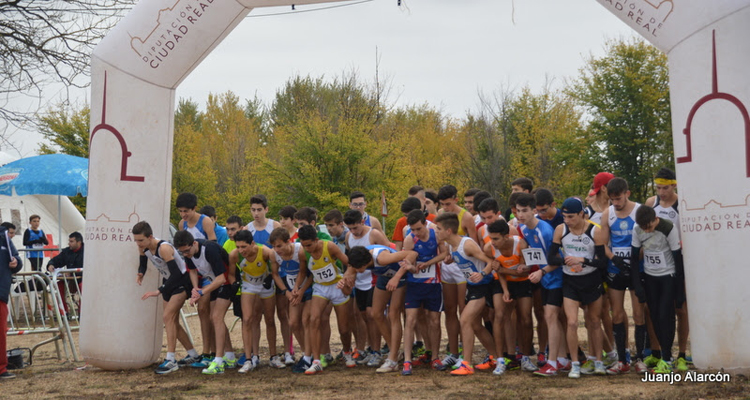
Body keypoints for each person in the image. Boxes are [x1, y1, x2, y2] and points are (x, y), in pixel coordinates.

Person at [431, 213, 507, 376]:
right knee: (475, 325)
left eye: (438, 229)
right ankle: (493, 357)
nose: (436, 232)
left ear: (449, 231)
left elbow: (490, 262)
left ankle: (466, 363)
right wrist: (451, 260)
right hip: (473, 286)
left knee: (465, 319)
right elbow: (460, 260)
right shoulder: (451, 245)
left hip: (484, 285)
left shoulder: (467, 244)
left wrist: (482, 273)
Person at [548, 198, 609, 378]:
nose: (567, 220)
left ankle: (598, 361)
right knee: (572, 322)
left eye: (571, 217)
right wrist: (567, 261)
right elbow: (551, 258)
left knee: (594, 321)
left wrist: (582, 260)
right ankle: (575, 363)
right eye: (564, 216)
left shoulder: (594, 231)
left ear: (582, 214)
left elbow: (602, 262)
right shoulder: (561, 230)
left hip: (591, 280)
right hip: (571, 281)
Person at [133, 221, 200, 374]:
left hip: (181, 281)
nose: (138, 244)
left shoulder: (163, 248)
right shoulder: (143, 247)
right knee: (172, 321)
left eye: (141, 240)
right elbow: (143, 263)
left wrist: (159, 290)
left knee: (167, 316)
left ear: (150, 237)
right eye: (136, 240)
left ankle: (171, 359)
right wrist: (140, 273)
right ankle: (193, 355)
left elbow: (177, 273)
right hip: (168, 282)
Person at [599, 177, 648, 374]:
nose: (616, 203)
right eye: (612, 200)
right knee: (617, 313)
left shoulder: (640, 211)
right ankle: (622, 360)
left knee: (638, 314)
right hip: (616, 269)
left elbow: (647, 238)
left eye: (619, 199)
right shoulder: (607, 214)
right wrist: (614, 258)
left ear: (627, 194)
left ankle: (641, 359)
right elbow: (602, 243)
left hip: (637, 268)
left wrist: (635, 260)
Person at [173, 230, 237, 375]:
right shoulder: (188, 252)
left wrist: (202, 291)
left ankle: (219, 361)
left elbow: (221, 278)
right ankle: (230, 356)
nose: (186, 254)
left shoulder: (209, 250)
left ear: (194, 243)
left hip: (227, 282)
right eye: (182, 252)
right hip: (214, 283)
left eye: (187, 251)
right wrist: (195, 289)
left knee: (216, 318)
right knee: (214, 319)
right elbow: (193, 271)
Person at [644, 167, 689, 372]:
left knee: (680, 309)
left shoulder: (683, 204)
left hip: (678, 261)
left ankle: (681, 354)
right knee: (654, 308)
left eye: (665, 188)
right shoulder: (651, 204)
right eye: (658, 188)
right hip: (655, 263)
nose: (661, 192)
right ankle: (658, 352)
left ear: (674, 185)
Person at [347, 244, 417, 373]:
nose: (357, 271)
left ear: (365, 263)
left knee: (393, 314)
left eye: (358, 268)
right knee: (376, 313)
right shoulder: (359, 260)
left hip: (399, 276)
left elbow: (412, 254)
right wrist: (345, 279)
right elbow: (350, 269)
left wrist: (397, 277)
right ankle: (393, 351)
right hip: (385, 277)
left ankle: (393, 360)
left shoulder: (382, 258)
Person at [630, 206, 683, 374]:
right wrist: (637, 285)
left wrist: (680, 290)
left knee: (665, 316)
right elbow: (633, 258)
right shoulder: (637, 228)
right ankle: (662, 355)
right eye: (644, 228)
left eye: (649, 227)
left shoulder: (668, 228)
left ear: (655, 219)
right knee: (653, 316)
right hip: (650, 276)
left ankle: (667, 359)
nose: (647, 231)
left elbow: (678, 259)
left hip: (668, 276)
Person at [296, 225, 355, 375]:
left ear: (317, 240)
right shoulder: (303, 252)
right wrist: (297, 288)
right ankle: (316, 361)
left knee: (344, 327)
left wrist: (346, 280)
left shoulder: (330, 247)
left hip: (337, 286)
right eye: (303, 245)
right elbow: (303, 272)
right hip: (320, 287)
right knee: (314, 319)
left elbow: (349, 263)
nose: (307, 248)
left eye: (309, 244)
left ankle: (347, 352)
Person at [401, 209, 446, 374]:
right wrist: (412, 267)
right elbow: (409, 266)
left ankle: (435, 357)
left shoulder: (436, 234)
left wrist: (428, 263)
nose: (416, 233)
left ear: (425, 223)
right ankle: (407, 360)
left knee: (434, 320)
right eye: (413, 230)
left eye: (419, 229)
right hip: (414, 284)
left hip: (434, 283)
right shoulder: (409, 240)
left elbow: (445, 253)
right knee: (410, 320)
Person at [230, 230, 281, 372]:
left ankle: (273, 356)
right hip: (249, 285)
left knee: (270, 319)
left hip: (265, 285)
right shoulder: (234, 255)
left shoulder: (265, 252)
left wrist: (270, 278)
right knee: (247, 319)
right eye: (238, 247)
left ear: (252, 243)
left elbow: (274, 271)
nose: (241, 251)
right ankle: (249, 358)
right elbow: (231, 274)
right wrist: (234, 284)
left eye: (244, 247)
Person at [269, 227, 311, 371]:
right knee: (293, 322)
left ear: (289, 241)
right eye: (274, 246)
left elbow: (304, 271)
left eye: (279, 246)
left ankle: (316, 354)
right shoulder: (274, 255)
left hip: (307, 287)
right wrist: (286, 292)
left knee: (307, 320)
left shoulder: (299, 251)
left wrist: (299, 289)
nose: (276, 249)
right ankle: (307, 353)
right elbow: (275, 274)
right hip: (292, 289)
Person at [0, 224, 22, 379]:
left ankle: (1, 369)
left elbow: (17, 261)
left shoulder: (5, 239)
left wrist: (16, 263)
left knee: (1, 333)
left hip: (0, 293)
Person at [47, 232, 84, 316]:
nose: (69, 243)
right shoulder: (67, 251)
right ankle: (63, 313)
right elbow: (57, 260)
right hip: (70, 281)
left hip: (83, 280)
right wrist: (51, 264)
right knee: (59, 286)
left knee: (83, 287)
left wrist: (71, 272)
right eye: (69, 241)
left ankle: (82, 313)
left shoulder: (87, 251)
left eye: (71, 241)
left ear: (79, 242)